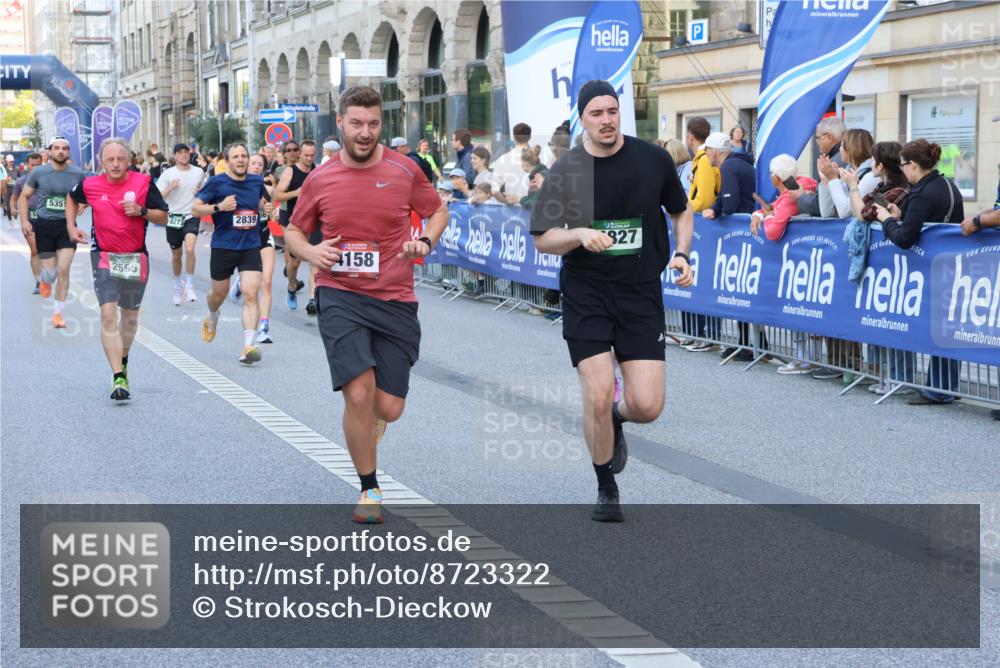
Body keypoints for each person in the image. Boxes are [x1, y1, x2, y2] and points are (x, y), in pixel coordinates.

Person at [530, 79, 694, 523]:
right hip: (587, 292)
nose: (606, 120)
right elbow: (543, 239)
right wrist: (579, 234)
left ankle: (616, 422)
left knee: (646, 406)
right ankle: (606, 485)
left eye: (612, 111)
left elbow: (680, 210)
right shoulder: (566, 171)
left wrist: (681, 254)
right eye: (596, 114)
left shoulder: (653, 159)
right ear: (582, 119)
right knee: (598, 393)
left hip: (641, 291)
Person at [285, 85, 449, 525]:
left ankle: (368, 426)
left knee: (389, 407)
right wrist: (312, 254)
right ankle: (369, 488)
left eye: (373, 124)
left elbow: (437, 211)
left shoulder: (404, 169)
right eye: (356, 123)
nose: (365, 132)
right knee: (358, 392)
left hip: (395, 297)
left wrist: (425, 241)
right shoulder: (320, 178)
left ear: (382, 124)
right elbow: (293, 232)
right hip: (340, 294)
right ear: (340, 123)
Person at [65, 137, 169, 400]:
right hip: (104, 256)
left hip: (135, 256)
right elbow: (70, 197)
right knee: (108, 315)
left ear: (129, 160)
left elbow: (164, 216)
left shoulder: (144, 183)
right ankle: (118, 377)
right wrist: (71, 226)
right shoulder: (89, 184)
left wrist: (142, 210)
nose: (115, 164)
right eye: (110, 159)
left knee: (130, 318)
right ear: (102, 162)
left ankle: (122, 360)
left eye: (120, 159)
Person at [873, 139, 964, 406]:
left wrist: (886, 220)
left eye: (904, 165)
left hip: (931, 268)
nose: (903, 171)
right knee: (944, 327)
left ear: (913, 165)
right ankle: (944, 386)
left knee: (941, 326)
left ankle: (939, 389)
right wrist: (902, 214)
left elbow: (904, 238)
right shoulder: (946, 184)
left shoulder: (923, 192)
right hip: (947, 265)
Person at [191, 143, 272, 365]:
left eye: (244, 156)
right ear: (227, 161)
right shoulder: (217, 182)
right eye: (236, 156)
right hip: (224, 246)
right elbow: (195, 208)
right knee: (218, 295)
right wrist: (219, 208)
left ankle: (248, 346)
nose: (241, 160)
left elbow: (263, 203)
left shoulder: (256, 181)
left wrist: (267, 209)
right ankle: (213, 314)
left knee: (250, 293)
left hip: (250, 245)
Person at [751, 154, 820, 375]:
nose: (770, 177)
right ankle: (808, 359)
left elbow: (772, 231)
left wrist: (766, 218)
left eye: (772, 173)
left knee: (799, 312)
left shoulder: (791, 196)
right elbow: (772, 208)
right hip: (801, 261)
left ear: (778, 177)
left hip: (798, 263)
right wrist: (758, 213)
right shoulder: (798, 188)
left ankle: (805, 360)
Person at [700, 132, 760, 361]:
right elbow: (724, 198)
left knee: (740, 290)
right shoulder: (737, 163)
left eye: (707, 151)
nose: (706, 156)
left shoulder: (728, 167)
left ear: (714, 151)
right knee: (741, 290)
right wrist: (715, 208)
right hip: (746, 231)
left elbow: (732, 202)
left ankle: (746, 345)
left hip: (742, 234)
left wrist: (721, 211)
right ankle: (753, 343)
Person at [18, 137, 86, 328]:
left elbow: (88, 193)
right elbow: (24, 197)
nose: (60, 152)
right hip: (44, 226)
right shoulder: (39, 172)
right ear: (50, 151)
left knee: (63, 268)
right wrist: (24, 220)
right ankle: (45, 282)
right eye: (56, 148)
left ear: (68, 152)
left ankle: (58, 313)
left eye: (64, 148)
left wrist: (83, 204)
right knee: (49, 273)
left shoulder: (77, 173)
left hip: (67, 226)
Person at [683, 118, 722, 352]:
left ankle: (710, 336)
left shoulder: (705, 160)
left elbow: (705, 198)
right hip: (699, 225)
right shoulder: (701, 158)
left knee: (706, 279)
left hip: (704, 227)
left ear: (690, 136)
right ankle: (698, 333)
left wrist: (684, 206)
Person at [157, 143, 206, 305]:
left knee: (190, 249)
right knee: (176, 255)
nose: (184, 155)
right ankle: (178, 284)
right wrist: (170, 187)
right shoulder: (168, 174)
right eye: (180, 153)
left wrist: (201, 190)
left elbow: (206, 189)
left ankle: (189, 284)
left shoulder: (199, 172)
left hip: (191, 214)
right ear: (175, 156)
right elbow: (158, 197)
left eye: (186, 152)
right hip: (173, 218)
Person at [275, 139, 317, 313]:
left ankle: (312, 300)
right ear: (299, 154)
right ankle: (292, 287)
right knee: (294, 263)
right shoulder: (290, 172)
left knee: (315, 261)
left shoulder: (318, 170)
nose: (309, 158)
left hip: (315, 221)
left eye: (312, 155)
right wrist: (297, 193)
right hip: (295, 222)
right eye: (306, 155)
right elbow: (278, 195)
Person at [248, 153, 277, 343]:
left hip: (265, 236)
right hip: (247, 239)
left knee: (266, 282)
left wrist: (271, 212)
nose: (257, 167)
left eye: (260, 164)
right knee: (252, 287)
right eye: (254, 163)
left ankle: (264, 327)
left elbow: (272, 212)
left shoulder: (268, 189)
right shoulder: (238, 188)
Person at [818, 129, 876, 218]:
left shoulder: (871, 174)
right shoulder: (847, 171)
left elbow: (845, 212)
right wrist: (825, 180)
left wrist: (833, 179)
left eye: (841, 145)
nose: (839, 149)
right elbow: (826, 213)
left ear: (851, 148)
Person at [796, 117, 848, 216]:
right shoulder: (838, 159)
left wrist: (800, 197)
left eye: (818, 138)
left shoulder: (833, 163)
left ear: (829, 138)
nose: (816, 142)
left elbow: (820, 206)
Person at [701, 132, 755, 219]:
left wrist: (721, 212)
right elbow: (724, 195)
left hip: (744, 226)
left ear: (713, 151)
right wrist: (714, 210)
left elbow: (730, 206)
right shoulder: (735, 162)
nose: (705, 154)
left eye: (706, 149)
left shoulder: (729, 165)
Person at [11, 153, 43, 292]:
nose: (35, 167)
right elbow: (14, 197)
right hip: (29, 219)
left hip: (47, 219)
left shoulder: (48, 180)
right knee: (35, 250)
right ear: (27, 165)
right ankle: (38, 282)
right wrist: (12, 208)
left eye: (38, 165)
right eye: (32, 165)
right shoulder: (21, 182)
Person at [491, 123, 535, 204]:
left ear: (514, 137)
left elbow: (494, 191)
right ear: (529, 137)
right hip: (532, 209)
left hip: (512, 210)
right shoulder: (540, 158)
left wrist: (506, 202)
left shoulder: (502, 159)